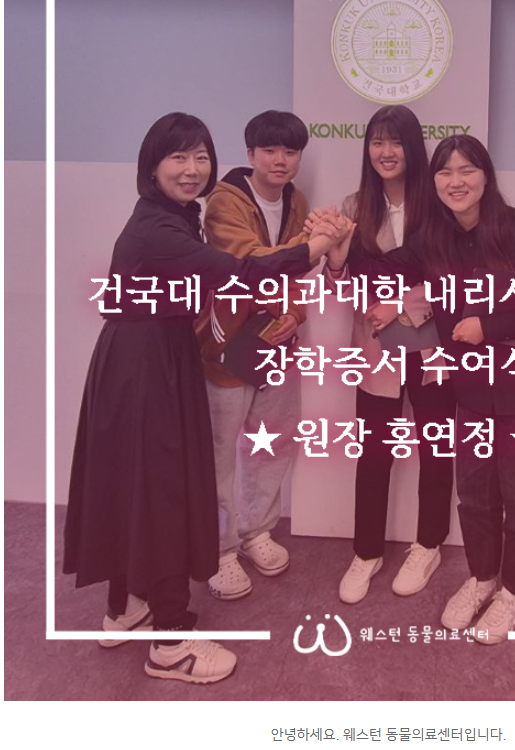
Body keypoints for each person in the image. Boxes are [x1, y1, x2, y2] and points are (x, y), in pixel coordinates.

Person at [63, 112, 346, 683]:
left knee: (140, 487)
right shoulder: (160, 228)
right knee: (166, 493)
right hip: (145, 367)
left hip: (152, 358)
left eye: (200, 157)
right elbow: (239, 272)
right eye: (178, 158)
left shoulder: (172, 216)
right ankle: (171, 643)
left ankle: (127, 608)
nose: (191, 169)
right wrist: (318, 243)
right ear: (152, 165)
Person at [322, 134, 515, 643]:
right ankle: (482, 579)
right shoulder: (433, 239)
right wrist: (341, 254)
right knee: (475, 496)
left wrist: (489, 325)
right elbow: (386, 271)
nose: (455, 182)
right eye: (445, 172)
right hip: (472, 388)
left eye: (466, 170)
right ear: (433, 181)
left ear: (486, 176)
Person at [322, 106, 457, 604]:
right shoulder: (353, 206)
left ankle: (428, 544)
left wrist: (400, 305)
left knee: (435, 446)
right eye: (377, 141)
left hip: (432, 343)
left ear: (413, 147)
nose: (386, 152)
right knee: (374, 449)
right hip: (376, 345)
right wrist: (337, 261)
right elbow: (343, 285)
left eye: (395, 141)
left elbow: (453, 277)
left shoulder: (438, 203)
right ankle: (367, 551)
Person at [195, 111, 310, 601]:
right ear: (250, 154)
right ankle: (219, 550)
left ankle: (256, 531)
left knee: (274, 439)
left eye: (290, 151)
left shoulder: (297, 200)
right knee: (220, 451)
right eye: (269, 150)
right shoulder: (224, 201)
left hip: (277, 343)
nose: (280, 160)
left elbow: (297, 276)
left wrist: (296, 314)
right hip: (226, 345)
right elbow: (250, 264)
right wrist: (316, 241)